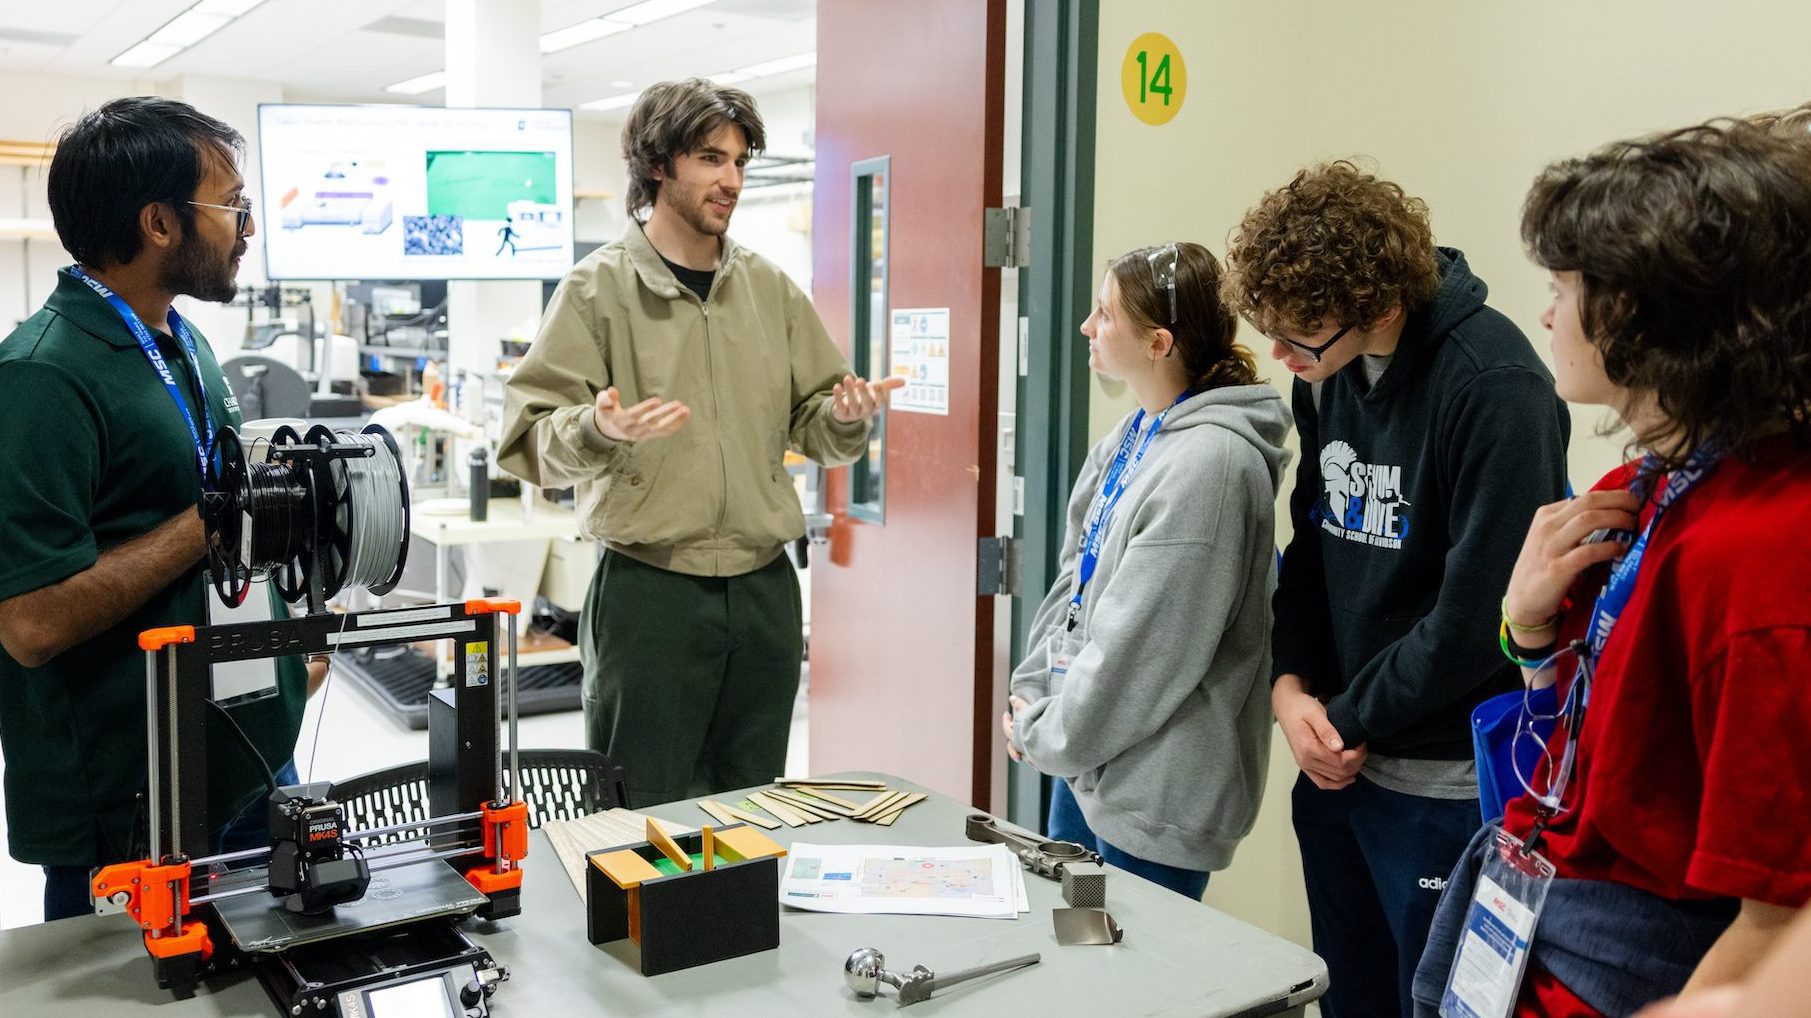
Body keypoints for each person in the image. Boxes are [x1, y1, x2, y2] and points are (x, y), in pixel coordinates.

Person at [1414, 119, 1811, 1017]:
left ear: (1639, 310)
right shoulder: (1647, 485)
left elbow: (1776, 923)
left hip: (1635, 965)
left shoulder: (1762, 556)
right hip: (1547, 910)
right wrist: (1528, 628)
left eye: (1562, 286)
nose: (1545, 313)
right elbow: (1601, 722)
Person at [1220, 160, 1571, 1015]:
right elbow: (1313, 542)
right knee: (1347, 994)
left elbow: (1475, 615)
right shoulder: (1327, 374)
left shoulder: (1495, 387)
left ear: (1377, 306)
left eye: (1299, 336)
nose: (1279, 357)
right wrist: (1289, 685)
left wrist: (1342, 717)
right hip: (1339, 761)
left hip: (1443, 782)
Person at [499, 79, 899, 808]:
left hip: (763, 587)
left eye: (740, 162)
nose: (731, 180)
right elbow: (527, 440)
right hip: (650, 591)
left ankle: (739, 926)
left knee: (752, 805)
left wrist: (845, 417)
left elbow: (816, 422)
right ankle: (639, 930)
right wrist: (596, 427)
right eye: (711, 159)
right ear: (658, 165)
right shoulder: (595, 293)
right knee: (637, 810)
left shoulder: (768, 289)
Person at [0, 97, 319, 921]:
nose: (247, 227)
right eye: (233, 207)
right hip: (127, 800)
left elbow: (213, 536)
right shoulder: (41, 376)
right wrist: (211, 519)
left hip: (239, 752)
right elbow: (30, 623)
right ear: (160, 223)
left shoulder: (183, 340)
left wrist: (285, 660)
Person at [1000, 242, 1290, 899]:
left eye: (1103, 314)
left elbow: (1141, 651)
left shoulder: (1210, 465)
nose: (1086, 327)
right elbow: (1075, 583)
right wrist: (1033, 692)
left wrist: (1046, 730)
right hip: (1088, 757)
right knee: (1075, 981)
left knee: (1130, 991)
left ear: (1158, 342)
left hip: (1156, 791)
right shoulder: (1136, 435)